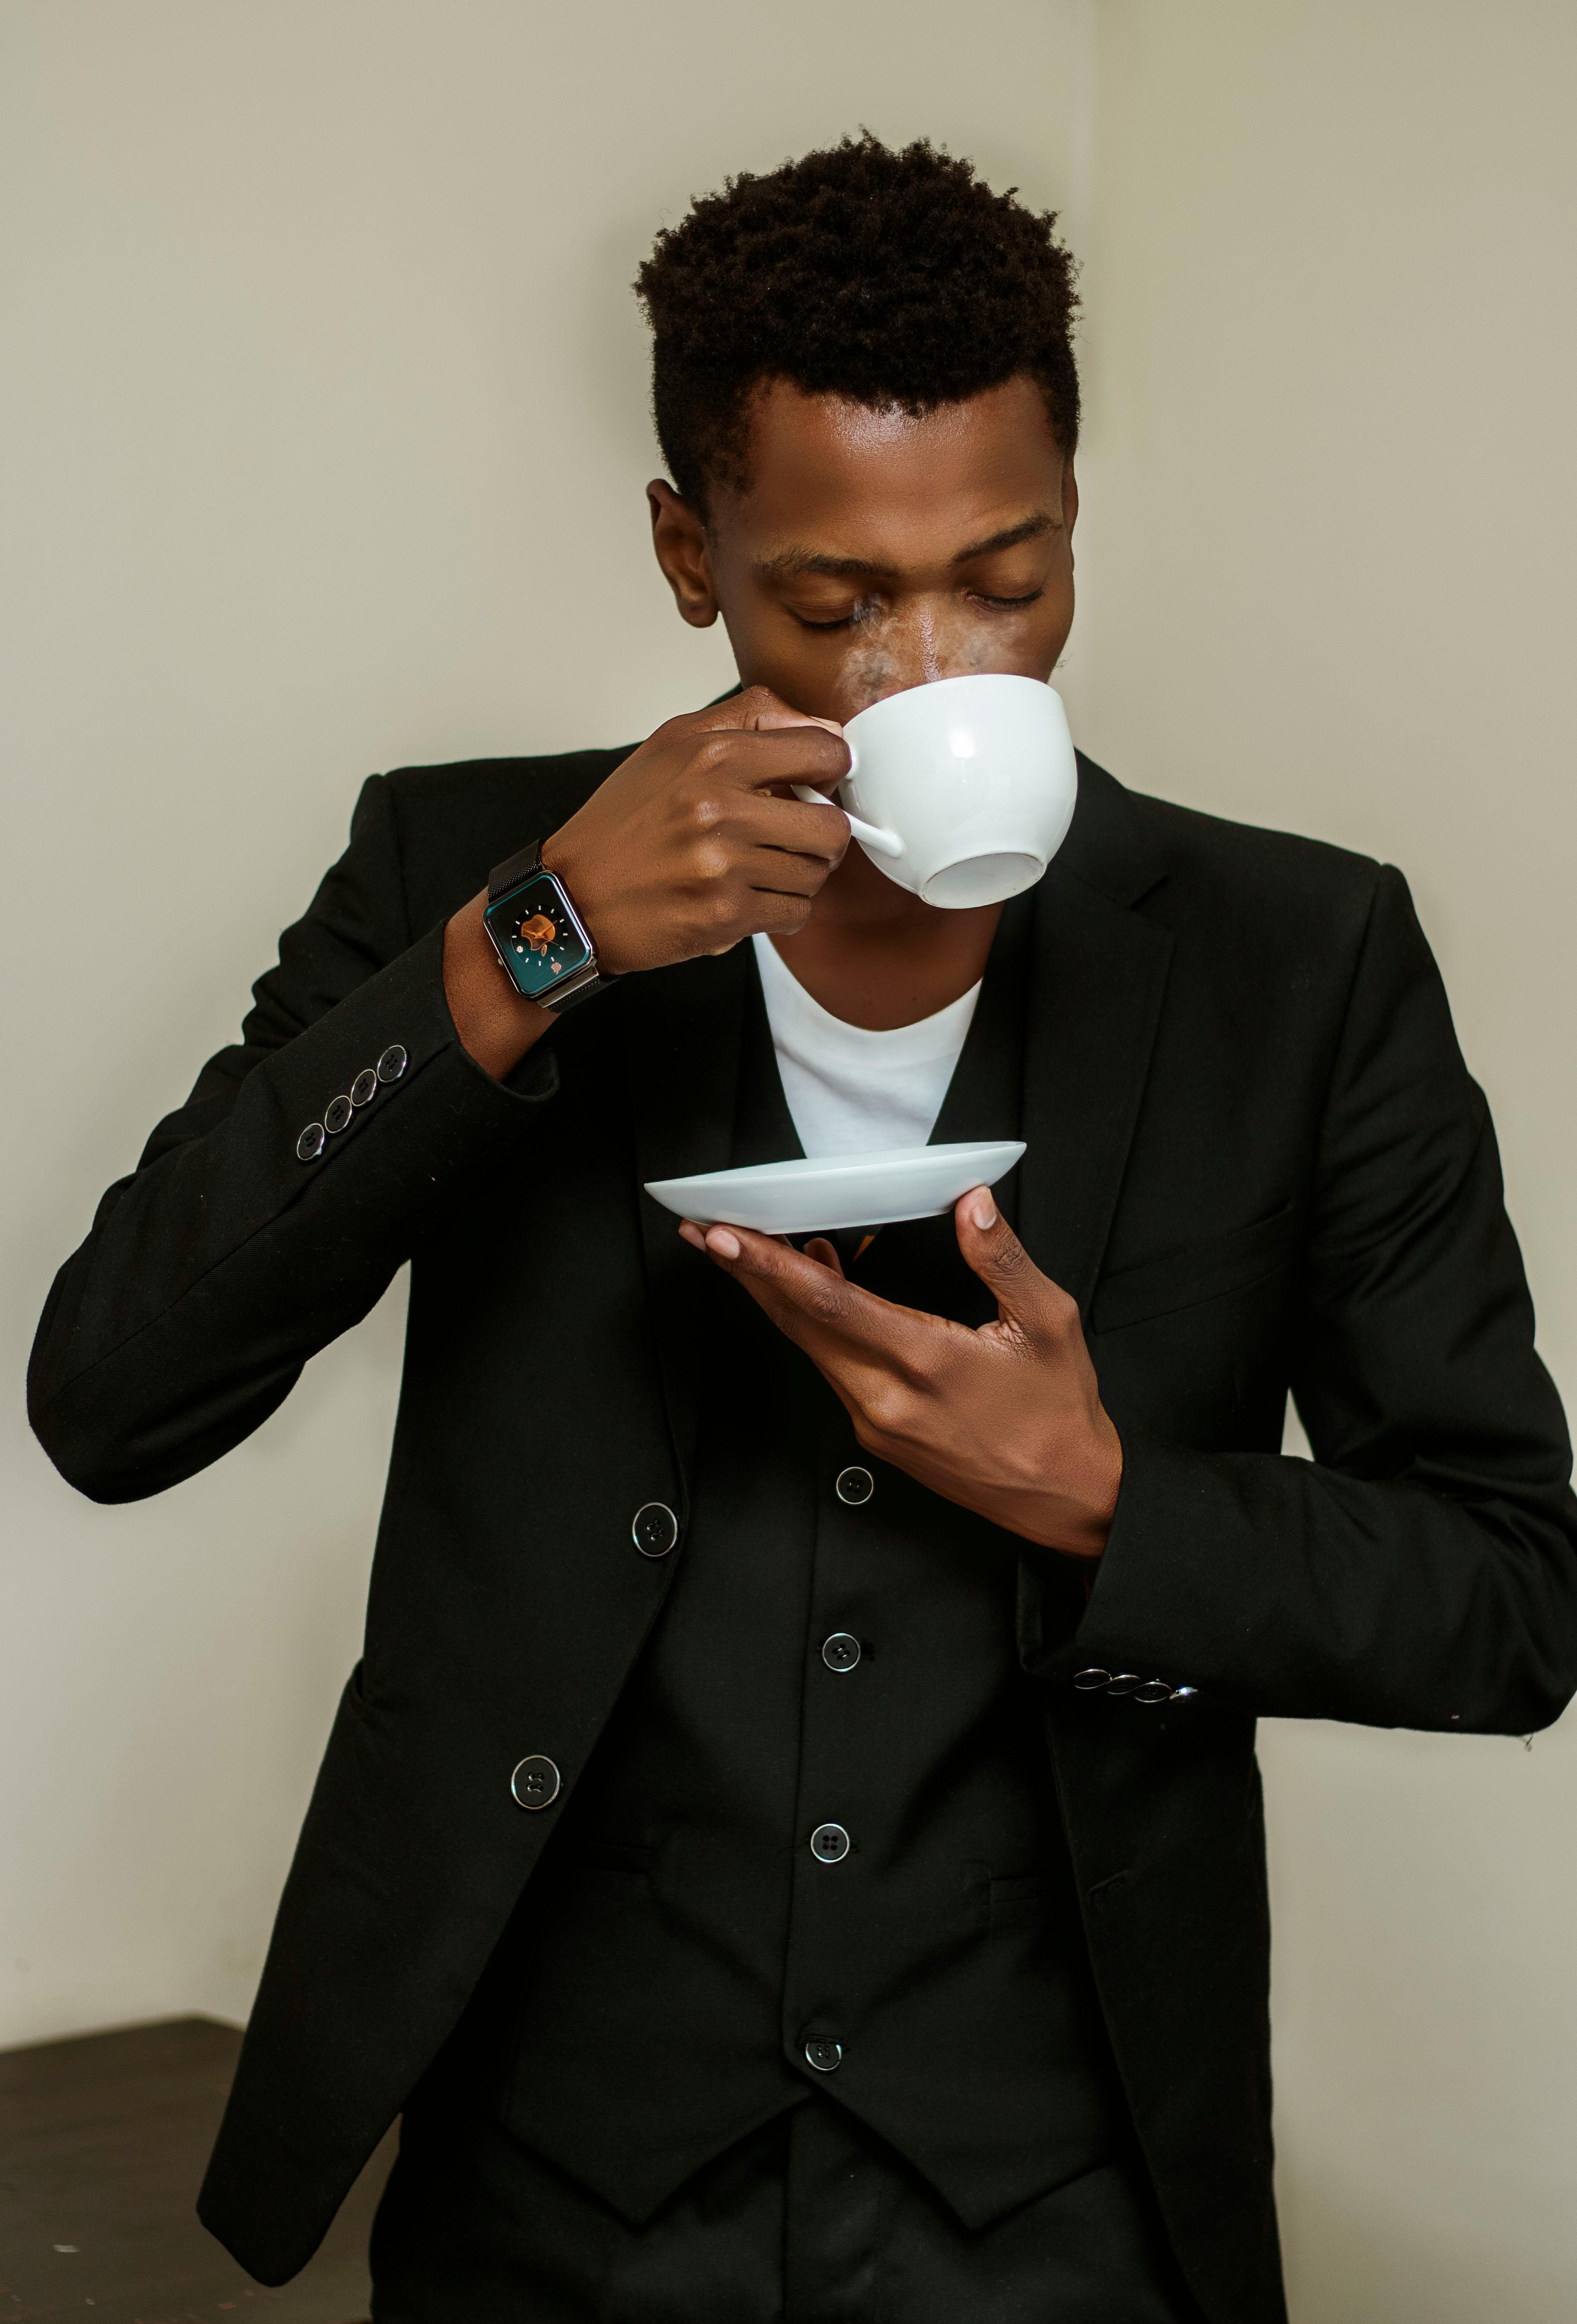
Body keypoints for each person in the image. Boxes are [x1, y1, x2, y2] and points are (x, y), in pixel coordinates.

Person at [28, 133, 1577, 2324]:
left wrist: (1115, 1500)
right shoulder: (468, 873)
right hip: (549, 2189)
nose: (932, 666)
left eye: (1009, 579)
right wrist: (530, 948)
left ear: (1072, 518)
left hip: (1059, 2208)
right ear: (692, 553)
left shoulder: (1296, 960)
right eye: (837, 604)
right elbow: (109, 1393)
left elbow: (1517, 1594)